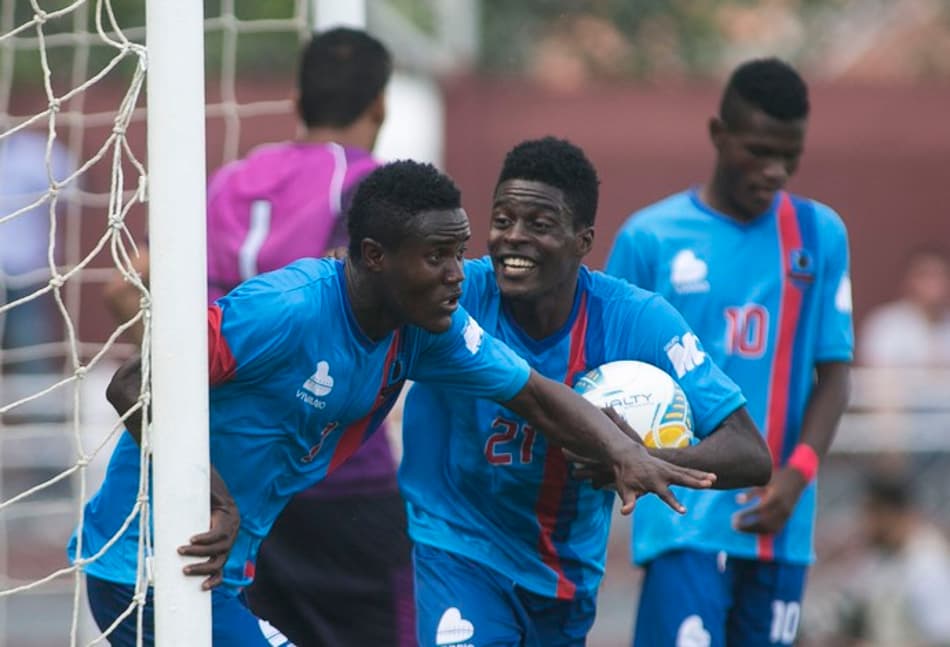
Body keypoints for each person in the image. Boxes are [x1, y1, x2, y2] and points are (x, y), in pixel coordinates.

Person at [71, 160, 717, 647]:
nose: (457, 275)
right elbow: (133, 382)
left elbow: (535, 395)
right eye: (436, 257)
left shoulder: (427, 331)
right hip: (146, 565)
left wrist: (627, 452)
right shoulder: (286, 309)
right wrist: (212, 493)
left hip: (216, 570)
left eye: (459, 253)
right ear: (376, 257)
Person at [102, 28, 415, 646]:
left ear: (297, 101)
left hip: (222, 477)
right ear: (380, 105)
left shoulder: (230, 182)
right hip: (336, 483)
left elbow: (126, 287)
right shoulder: (375, 189)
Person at [399, 137, 772, 646]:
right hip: (459, 547)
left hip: (564, 572)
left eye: (540, 225)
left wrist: (641, 457)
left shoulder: (635, 321)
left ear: (583, 239)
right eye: (503, 220)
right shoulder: (457, 296)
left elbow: (751, 453)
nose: (513, 238)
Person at [606, 58, 854, 646]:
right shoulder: (650, 238)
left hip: (781, 522)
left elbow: (836, 375)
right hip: (685, 522)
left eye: (790, 156)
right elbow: (606, 370)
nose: (775, 170)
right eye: (759, 150)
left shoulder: (820, 236)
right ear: (719, 134)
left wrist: (798, 475)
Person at [829, 472, 950, 646]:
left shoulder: (927, 562)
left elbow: (942, 639)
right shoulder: (879, 558)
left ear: (894, 514)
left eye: (872, 513)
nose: (865, 523)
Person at [0, 129, 74, 376]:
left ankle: (42, 414)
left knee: (30, 348)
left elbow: (75, 189)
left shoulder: (37, 152)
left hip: (26, 272)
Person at [858, 246, 950, 367]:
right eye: (925, 275)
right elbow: (874, 376)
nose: (933, 283)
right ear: (909, 280)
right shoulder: (885, 323)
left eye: (940, 275)